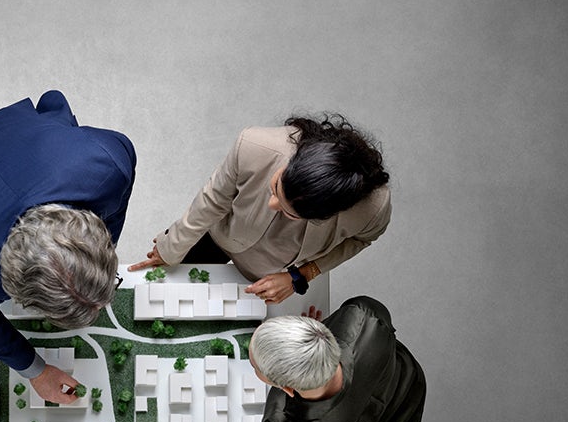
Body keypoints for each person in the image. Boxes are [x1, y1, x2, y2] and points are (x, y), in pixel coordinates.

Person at [0, 90, 136, 403]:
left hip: (30, 143)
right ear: (17, 289)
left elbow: (120, 189)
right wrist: (37, 371)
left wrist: (104, 248)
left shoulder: (109, 164)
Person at [40, 296, 425, 422]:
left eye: (256, 368)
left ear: (286, 390)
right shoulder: (364, 314)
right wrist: (313, 338)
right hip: (408, 381)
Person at [129, 114, 390, 304]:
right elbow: (213, 200)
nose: (271, 204)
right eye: (276, 187)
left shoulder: (373, 209)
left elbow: (362, 240)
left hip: (277, 270)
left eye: (289, 212)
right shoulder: (254, 144)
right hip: (223, 236)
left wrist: (300, 276)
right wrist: (171, 248)